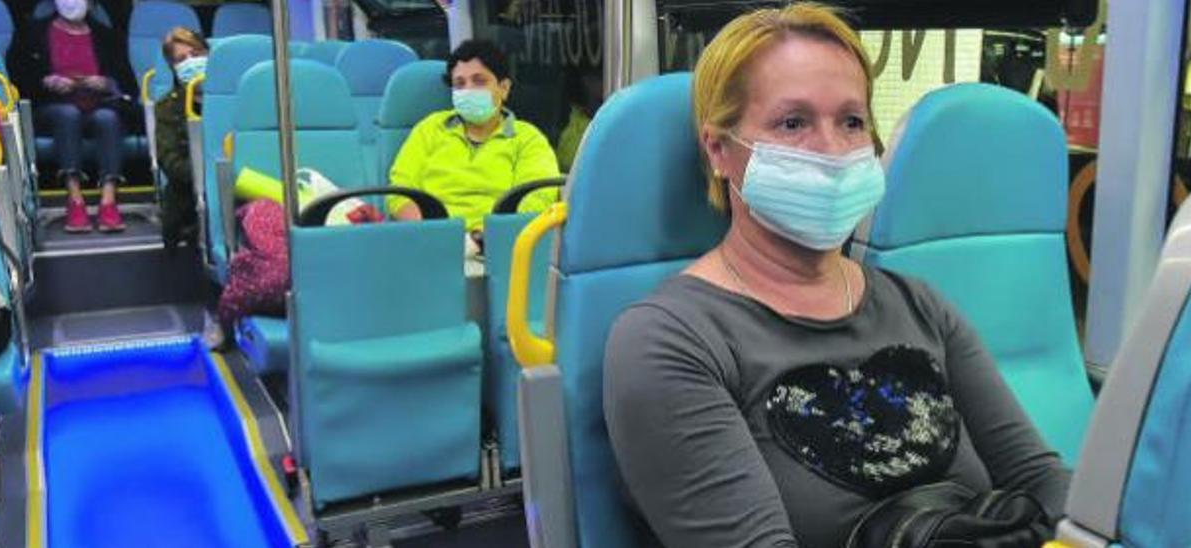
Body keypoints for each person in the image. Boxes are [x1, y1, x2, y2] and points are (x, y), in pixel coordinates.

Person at [602, 4, 1070, 547]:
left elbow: (1037, 478)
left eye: (851, 121)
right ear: (719, 150)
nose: (831, 149)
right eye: (793, 123)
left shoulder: (920, 306)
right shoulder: (669, 340)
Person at [387, 39, 560, 235]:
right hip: (430, 239)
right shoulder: (430, 128)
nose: (468, 90)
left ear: (504, 88)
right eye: (459, 84)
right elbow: (400, 191)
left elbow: (536, 198)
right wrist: (432, 234)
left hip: (497, 246)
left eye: (479, 81)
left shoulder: (528, 139)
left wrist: (485, 238)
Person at [21, 0, 137, 233]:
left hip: (99, 103)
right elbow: (19, 79)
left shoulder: (107, 35)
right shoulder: (32, 32)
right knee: (68, 114)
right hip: (53, 106)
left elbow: (127, 84)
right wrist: (47, 81)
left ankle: (108, 200)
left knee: (108, 119)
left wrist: (105, 83)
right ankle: (75, 200)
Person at [154, 27, 208, 249]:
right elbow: (171, 163)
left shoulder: (235, 98)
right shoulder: (167, 107)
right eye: (181, 59)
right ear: (173, 68)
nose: (190, 62)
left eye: (195, 55)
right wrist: (209, 176)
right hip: (187, 200)